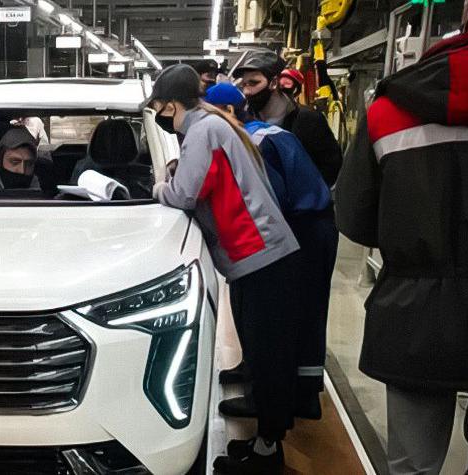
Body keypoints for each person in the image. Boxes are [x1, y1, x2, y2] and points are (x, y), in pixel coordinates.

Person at [334, 0, 468, 472]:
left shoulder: (389, 107)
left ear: (466, 11)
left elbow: (354, 217)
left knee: (412, 466)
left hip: (416, 313)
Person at [146, 64, 300, 474]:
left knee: (268, 360)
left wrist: (158, 186)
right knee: (263, 355)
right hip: (260, 257)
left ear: (171, 105)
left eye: (159, 107)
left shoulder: (203, 131)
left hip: (261, 257)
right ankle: (264, 441)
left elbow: (183, 194)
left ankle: (268, 455)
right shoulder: (213, 125)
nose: (159, 115)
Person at [205, 83, 338, 423]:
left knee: (284, 316)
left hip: (302, 229)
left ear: (229, 112)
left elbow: (263, 200)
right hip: (305, 223)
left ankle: (293, 397)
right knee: (285, 310)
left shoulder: (254, 142)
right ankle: (268, 379)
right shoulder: (261, 132)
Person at [234, 51, 342, 186]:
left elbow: (331, 164)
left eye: (253, 83)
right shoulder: (244, 120)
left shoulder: (308, 120)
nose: (246, 91)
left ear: (274, 83)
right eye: (244, 85)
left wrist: (306, 193)